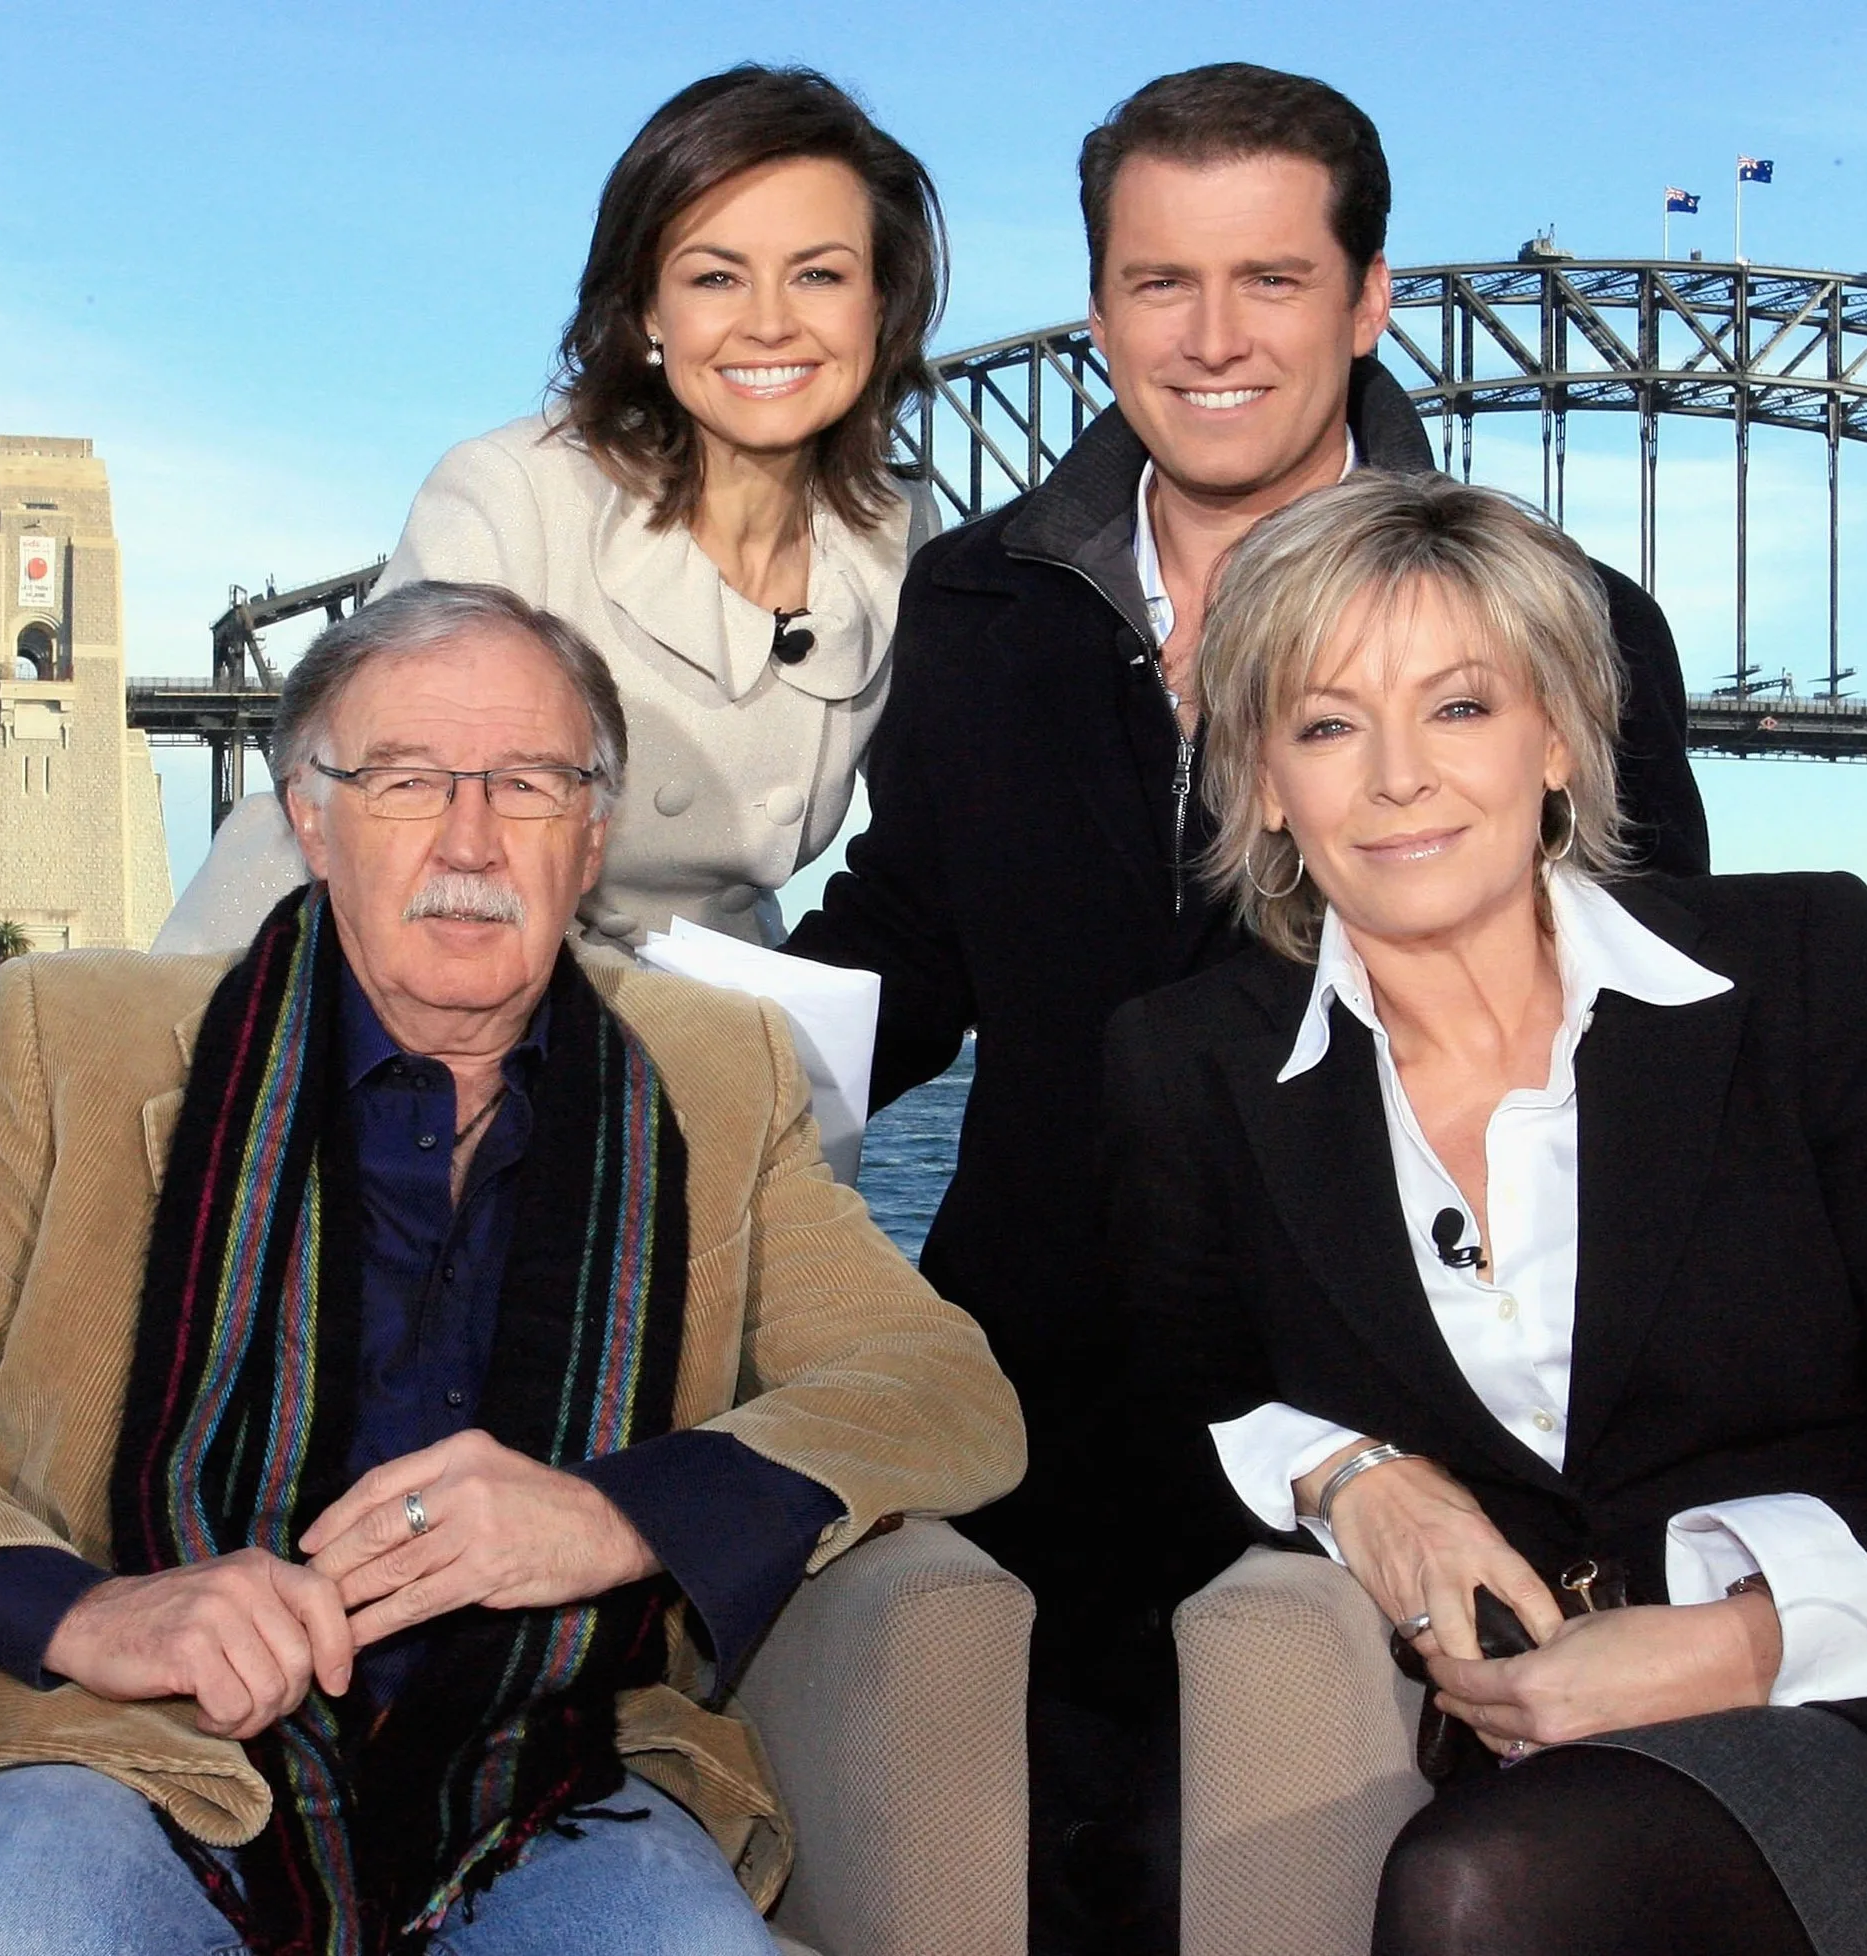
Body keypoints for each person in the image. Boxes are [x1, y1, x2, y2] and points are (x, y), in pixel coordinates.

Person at [0, 581, 1025, 1955]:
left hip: (550, 1771)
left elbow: (936, 1388)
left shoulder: (715, 1077)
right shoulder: (75, 1046)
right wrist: (81, 1611)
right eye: (405, 780)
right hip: (113, 1755)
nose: (472, 838)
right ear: (311, 819)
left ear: (596, 830)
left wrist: (615, 1517)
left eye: (533, 783)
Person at [781, 62, 1708, 1949]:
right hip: (1050, 1382)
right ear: (1098, 302)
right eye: (1155, 284)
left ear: (1367, 303)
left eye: (1270, 282)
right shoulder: (973, 604)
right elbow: (906, 954)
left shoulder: (1556, 622)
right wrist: (620, 1102)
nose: (1209, 343)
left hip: (1412, 1365)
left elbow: (1649, 1040)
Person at [1101, 472, 1867, 1956]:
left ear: (1558, 735)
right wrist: (1349, 1474)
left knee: (1484, 1890)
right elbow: (1145, 1420)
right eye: (1323, 723)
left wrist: (1741, 1638)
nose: (1395, 778)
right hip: (1551, 1784)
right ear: (1257, 784)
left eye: (1459, 707)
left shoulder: (1802, 974)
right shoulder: (1194, 1065)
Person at [158, 65, 945, 958]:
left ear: (879, 305)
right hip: (385, 965)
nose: (768, 323)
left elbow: (942, 842)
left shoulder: (898, 535)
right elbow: (400, 823)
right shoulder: (510, 496)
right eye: (716, 279)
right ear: (649, 309)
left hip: (706, 1012)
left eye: (816, 274)